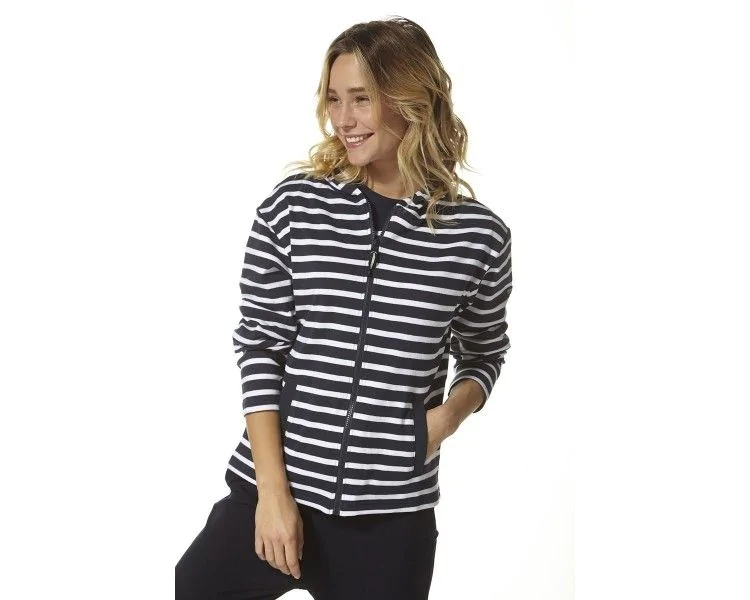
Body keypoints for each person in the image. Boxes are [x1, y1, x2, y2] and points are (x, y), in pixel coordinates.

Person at [175, 15, 513, 600]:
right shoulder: (294, 208)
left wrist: (441, 423)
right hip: (274, 495)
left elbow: (484, 351)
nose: (343, 119)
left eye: (362, 98)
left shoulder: (477, 237)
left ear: (411, 99)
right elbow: (260, 347)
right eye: (334, 99)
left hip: (391, 520)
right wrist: (272, 495)